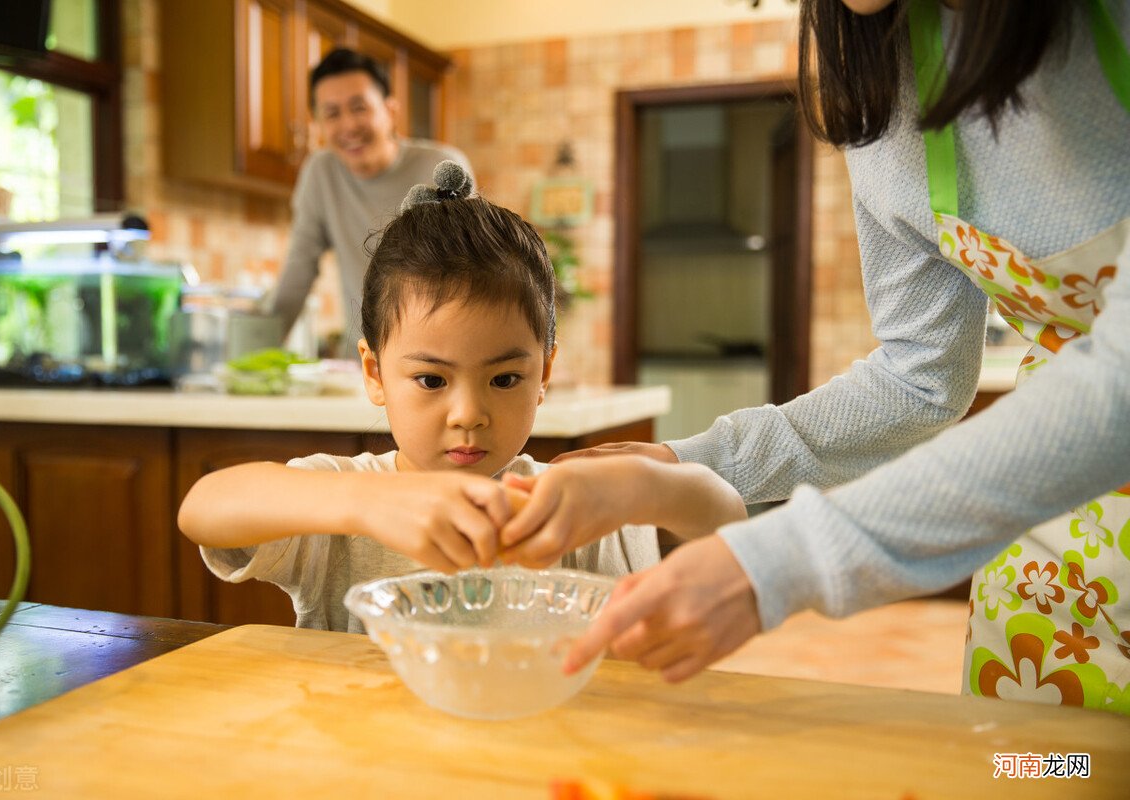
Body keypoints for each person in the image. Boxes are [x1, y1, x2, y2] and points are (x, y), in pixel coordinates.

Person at [506, 0, 1130, 714]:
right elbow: (920, 377)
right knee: (1043, 773)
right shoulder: (883, 87)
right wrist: (686, 463)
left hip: (1083, 437)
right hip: (1066, 527)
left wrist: (781, 562)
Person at [178, 162, 747, 633]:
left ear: (544, 372)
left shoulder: (566, 510)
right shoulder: (348, 507)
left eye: (504, 379)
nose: (469, 414)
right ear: (374, 372)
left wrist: (645, 484)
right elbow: (204, 507)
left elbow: (726, 519)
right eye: (431, 380)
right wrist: (365, 504)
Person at [268, 48, 472, 355]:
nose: (348, 126)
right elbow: (298, 271)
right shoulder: (320, 173)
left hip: (438, 361)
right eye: (332, 113)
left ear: (390, 111)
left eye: (359, 107)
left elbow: (472, 269)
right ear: (319, 124)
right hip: (364, 363)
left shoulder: (442, 167)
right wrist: (250, 357)